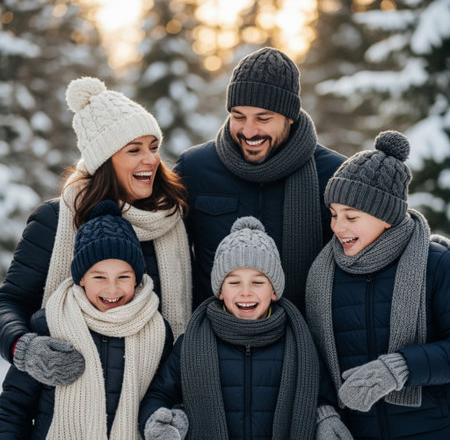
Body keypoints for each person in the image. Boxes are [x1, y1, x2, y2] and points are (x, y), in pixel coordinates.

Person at [0, 77, 191, 385]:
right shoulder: (55, 220)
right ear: (105, 159)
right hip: (70, 393)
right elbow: (9, 302)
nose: (152, 159)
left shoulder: (171, 220)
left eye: (154, 147)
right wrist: (24, 347)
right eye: (134, 150)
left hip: (154, 400)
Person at [138, 216, 349, 440]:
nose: (246, 292)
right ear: (220, 291)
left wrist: (326, 418)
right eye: (234, 282)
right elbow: (159, 395)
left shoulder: (298, 342)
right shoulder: (191, 343)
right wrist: (160, 422)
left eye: (258, 282)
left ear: (274, 291)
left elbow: (320, 396)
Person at [175, 46, 345, 312]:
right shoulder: (195, 168)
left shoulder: (334, 175)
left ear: (290, 117)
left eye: (263, 118)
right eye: (238, 117)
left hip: (301, 339)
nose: (249, 130)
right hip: (210, 336)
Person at [306, 131, 450, 439]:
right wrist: (325, 413)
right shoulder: (323, 275)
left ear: (386, 216)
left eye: (351, 217)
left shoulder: (435, 263)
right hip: (357, 431)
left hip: (432, 428)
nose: (337, 227)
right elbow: (311, 358)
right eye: (333, 214)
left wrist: (400, 368)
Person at [0, 200, 174, 438]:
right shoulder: (49, 323)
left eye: (123, 276)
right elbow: (14, 406)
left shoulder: (157, 331)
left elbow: (161, 397)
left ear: (136, 278)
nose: (112, 290)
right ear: (81, 278)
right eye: (99, 277)